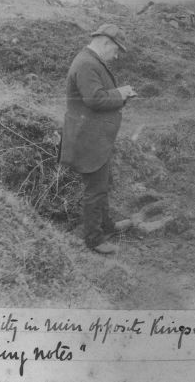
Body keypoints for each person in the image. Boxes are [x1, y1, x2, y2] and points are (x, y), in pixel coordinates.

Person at [59, 24, 137, 254]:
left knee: (101, 185)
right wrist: (120, 93)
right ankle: (94, 239)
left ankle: (106, 226)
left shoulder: (90, 60)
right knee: (95, 189)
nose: (115, 56)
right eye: (115, 51)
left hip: (94, 136)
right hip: (88, 138)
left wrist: (120, 95)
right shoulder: (86, 64)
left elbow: (96, 97)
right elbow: (94, 99)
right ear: (105, 43)